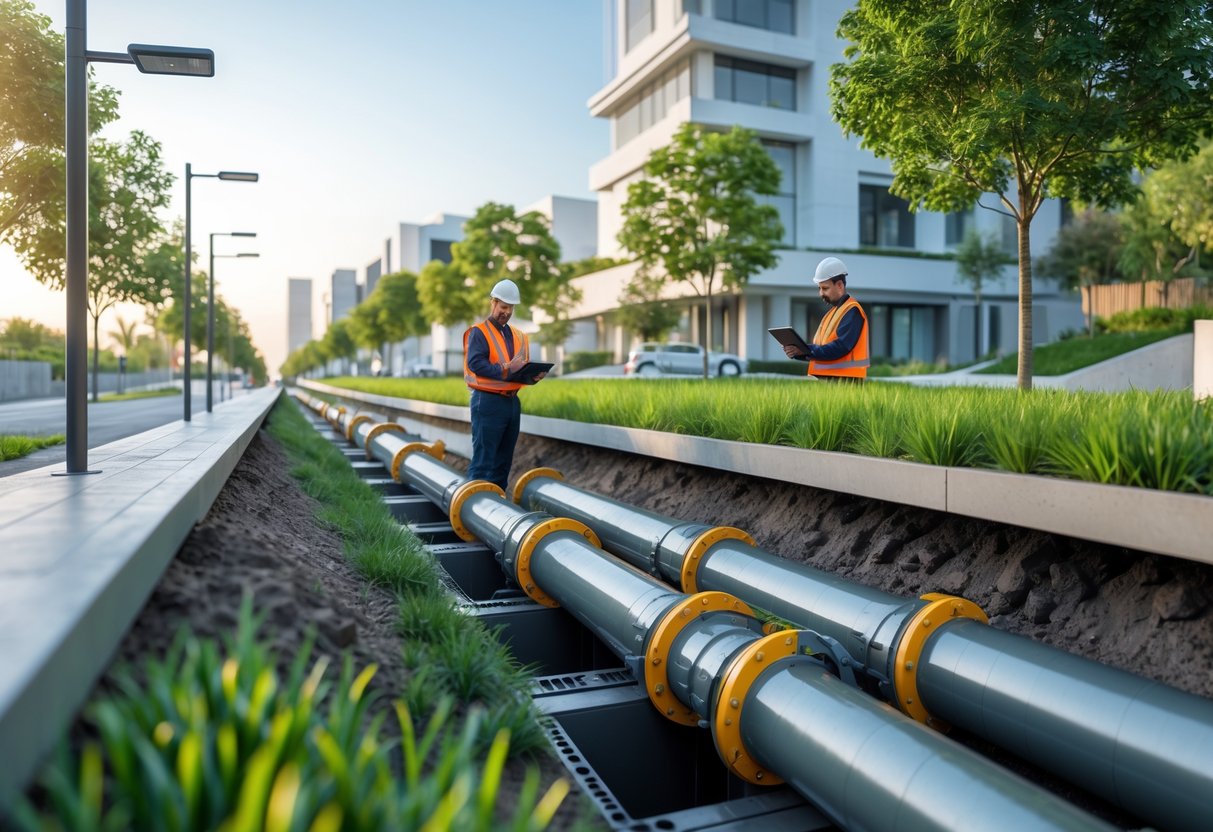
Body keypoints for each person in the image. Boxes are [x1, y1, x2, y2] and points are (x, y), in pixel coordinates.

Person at [463, 278, 547, 491]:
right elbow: (476, 364)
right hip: (487, 402)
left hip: (511, 404)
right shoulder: (479, 332)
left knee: (503, 464)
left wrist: (531, 376)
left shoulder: (518, 335)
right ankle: (471, 510)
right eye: (503, 307)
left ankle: (497, 512)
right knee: (483, 462)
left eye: (511, 308)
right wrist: (505, 368)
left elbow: (517, 370)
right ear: (493, 302)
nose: (507, 312)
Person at [782, 256, 870, 380]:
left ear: (839, 285)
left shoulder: (852, 311)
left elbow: (840, 347)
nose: (821, 294)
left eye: (825, 288)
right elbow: (821, 349)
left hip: (845, 382)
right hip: (830, 380)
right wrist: (798, 352)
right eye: (819, 288)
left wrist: (806, 350)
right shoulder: (832, 313)